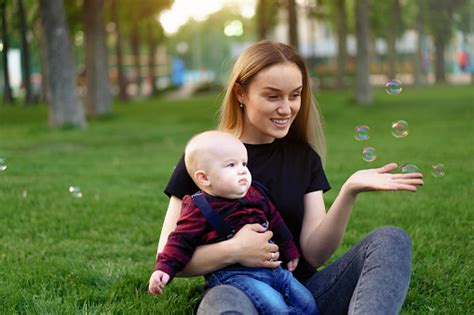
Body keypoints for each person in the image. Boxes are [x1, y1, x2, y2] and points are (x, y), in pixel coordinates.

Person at [155, 40, 424, 315]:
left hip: (306, 293)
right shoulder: (204, 158)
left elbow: (314, 254)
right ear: (240, 93)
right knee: (221, 302)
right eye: (273, 96)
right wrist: (235, 250)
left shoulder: (303, 158)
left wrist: (349, 192)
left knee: (391, 239)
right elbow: (169, 255)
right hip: (241, 290)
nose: (286, 109)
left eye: (294, 95)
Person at [149, 130, 319, 314]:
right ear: (204, 178)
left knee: (307, 302)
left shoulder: (255, 194)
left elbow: (276, 222)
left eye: (244, 164)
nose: (242, 170)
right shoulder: (199, 208)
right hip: (236, 276)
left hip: (275, 271)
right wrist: (164, 269)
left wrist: (289, 249)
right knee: (275, 307)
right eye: (231, 165)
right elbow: (179, 242)